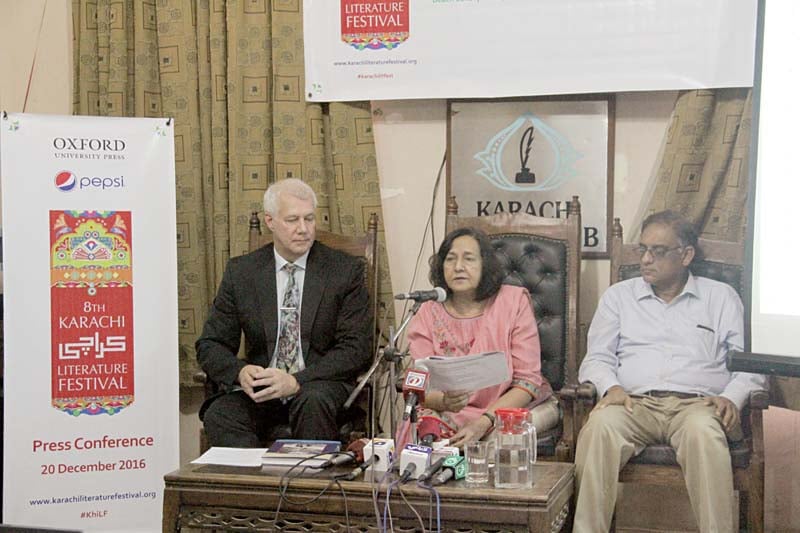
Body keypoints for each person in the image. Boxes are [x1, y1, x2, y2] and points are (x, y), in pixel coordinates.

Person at [573, 211, 767, 533]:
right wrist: (611, 388)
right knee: (598, 428)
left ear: (686, 255)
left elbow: (750, 365)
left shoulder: (721, 298)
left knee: (704, 434)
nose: (646, 259)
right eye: (642, 250)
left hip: (697, 406)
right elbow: (595, 358)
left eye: (658, 251)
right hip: (633, 403)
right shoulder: (619, 297)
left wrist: (730, 397)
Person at [196, 178, 372, 447]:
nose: (304, 229)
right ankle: (252, 488)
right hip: (262, 390)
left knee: (312, 401)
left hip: (316, 385)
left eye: (310, 219)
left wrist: (296, 381)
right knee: (222, 414)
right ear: (270, 222)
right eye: (292, 220)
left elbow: (357, 348)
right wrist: (240, 373)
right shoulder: (242, 272)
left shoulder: (343, 271)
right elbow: (211, 344)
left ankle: (308, 488)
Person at [406, 227, 559, 448]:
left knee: (502, 438)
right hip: (450, 411)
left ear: (485, 265)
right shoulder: (427, 311)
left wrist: (484, 422)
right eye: (450, 259)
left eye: (469, 259)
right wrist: (444, 401)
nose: (458, 267)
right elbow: (419, 387)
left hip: (513, 407)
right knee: (419, 432)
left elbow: (527, 381)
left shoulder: (512, 301)